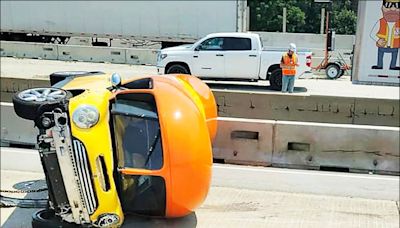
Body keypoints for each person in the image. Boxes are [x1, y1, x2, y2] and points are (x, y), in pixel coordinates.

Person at [370, 0, 400, 71]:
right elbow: (372, 33)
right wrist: (377, 40)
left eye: (397, 6)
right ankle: (379, 65)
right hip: (383, 45)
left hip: (394, 45)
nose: (393, 9)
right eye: (388, 5)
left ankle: (392, 66)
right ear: (382, 8)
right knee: (380, 55)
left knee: (394, 55)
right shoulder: (380, 22)